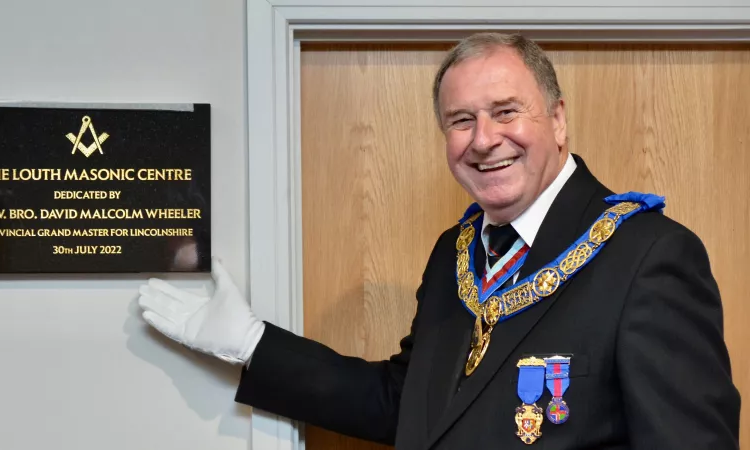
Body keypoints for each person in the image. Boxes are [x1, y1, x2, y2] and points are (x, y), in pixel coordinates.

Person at [136, 32, 741, 449]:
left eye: (506, 112)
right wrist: (251, 344)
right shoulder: (456, 253)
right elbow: (408, 404)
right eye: (461, 121)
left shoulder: (647, 254)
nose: (483, 140)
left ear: (557, 120)